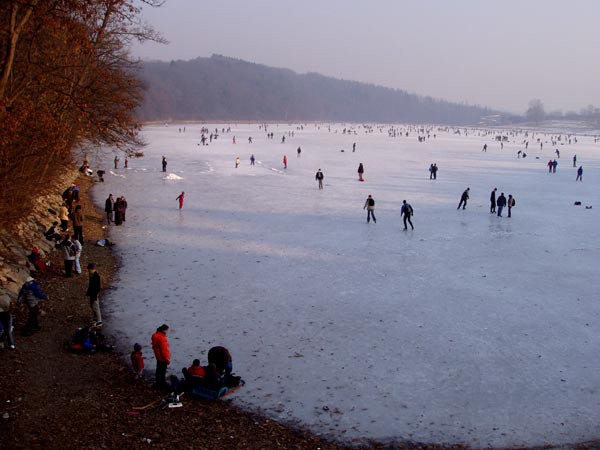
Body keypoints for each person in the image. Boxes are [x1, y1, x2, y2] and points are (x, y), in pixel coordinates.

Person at [151, 324, 171, 389]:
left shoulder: (155, 335)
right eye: (167, 330)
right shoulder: (162, 338)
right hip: (162, 358)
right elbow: (164, 349)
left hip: (158, 356)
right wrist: (166, 359)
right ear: (164, 330)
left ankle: (158, 382)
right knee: (162, 371)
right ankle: (162, 384)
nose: (167, 331)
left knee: (159, 370)